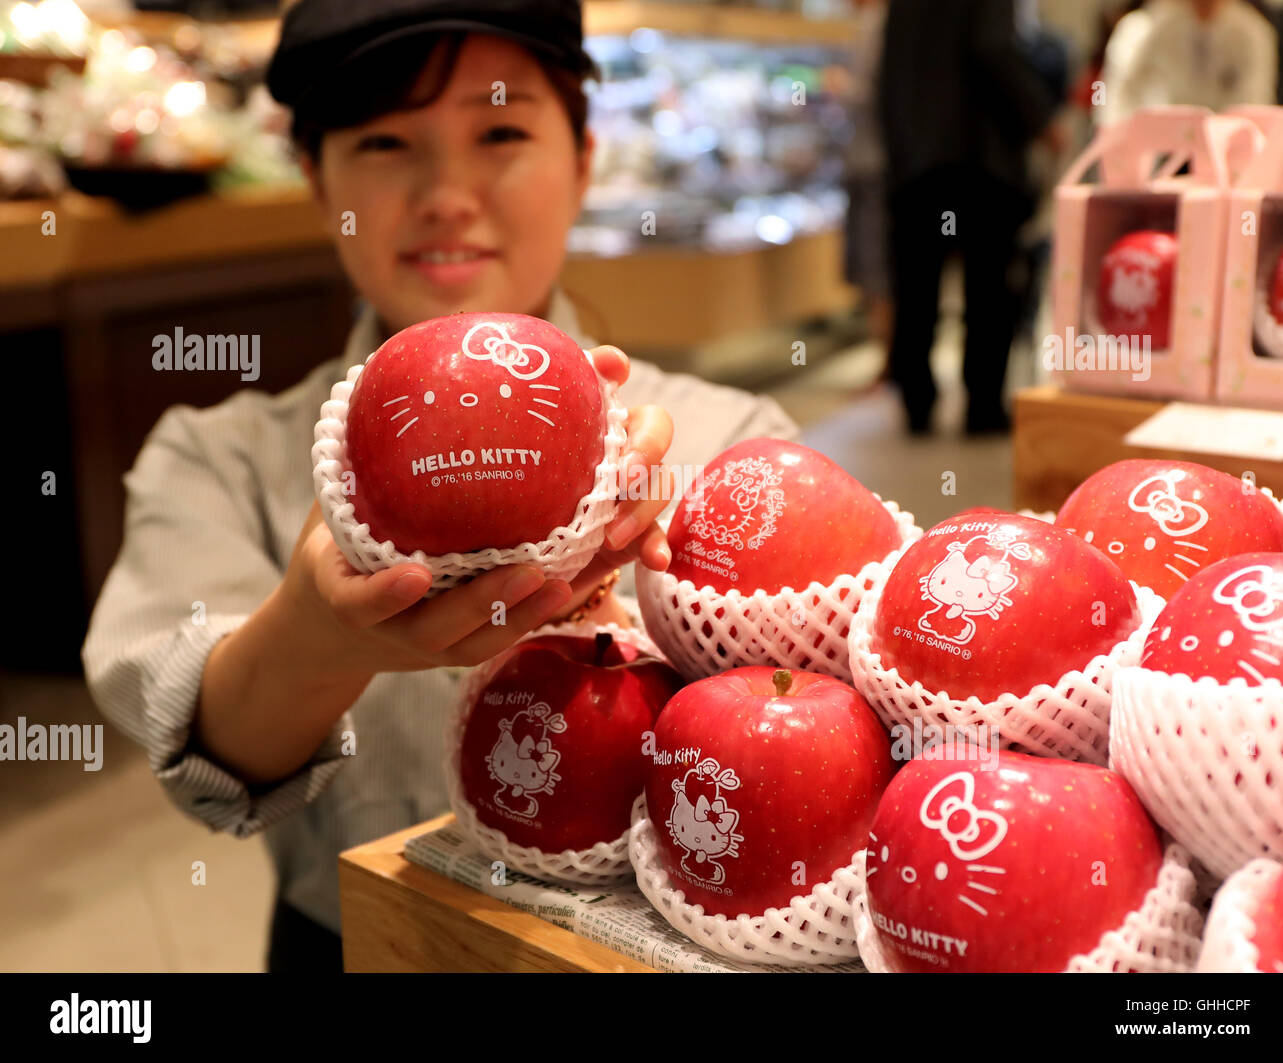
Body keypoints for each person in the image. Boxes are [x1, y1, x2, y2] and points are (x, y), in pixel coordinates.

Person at [81, 0, 796, 972]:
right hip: (352, 945)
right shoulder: (222, 453)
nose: (446, 193)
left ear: (584, 157)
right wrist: (311, 633)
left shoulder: (731, 444)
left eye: (500, 131)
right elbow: (213, 755)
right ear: (312, 173)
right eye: (384, 141)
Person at [879, 0, 1059, 436]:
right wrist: (1040, 120)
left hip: (917, 164)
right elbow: (994, 51)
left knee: (916, 288)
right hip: (979, 162)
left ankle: (916, 402)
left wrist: (901, 152)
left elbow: (888, 76)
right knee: (989, 292)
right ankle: (982, 406)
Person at [1097, 0, 1278, 125]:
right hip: (1159, 146)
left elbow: (1257, 102)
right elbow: (1112, 95)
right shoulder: (1142, 28)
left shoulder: (1253, 34)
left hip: (1225, 147)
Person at [841, 0, 893, 359]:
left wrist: (839, 85)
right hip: (868, 163)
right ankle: (888, 362)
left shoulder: (880, 24)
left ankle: (888, 362)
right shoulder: (870, 24)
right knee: (874, 269)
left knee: (878, 269)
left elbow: (866, 91)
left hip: (874, 164)